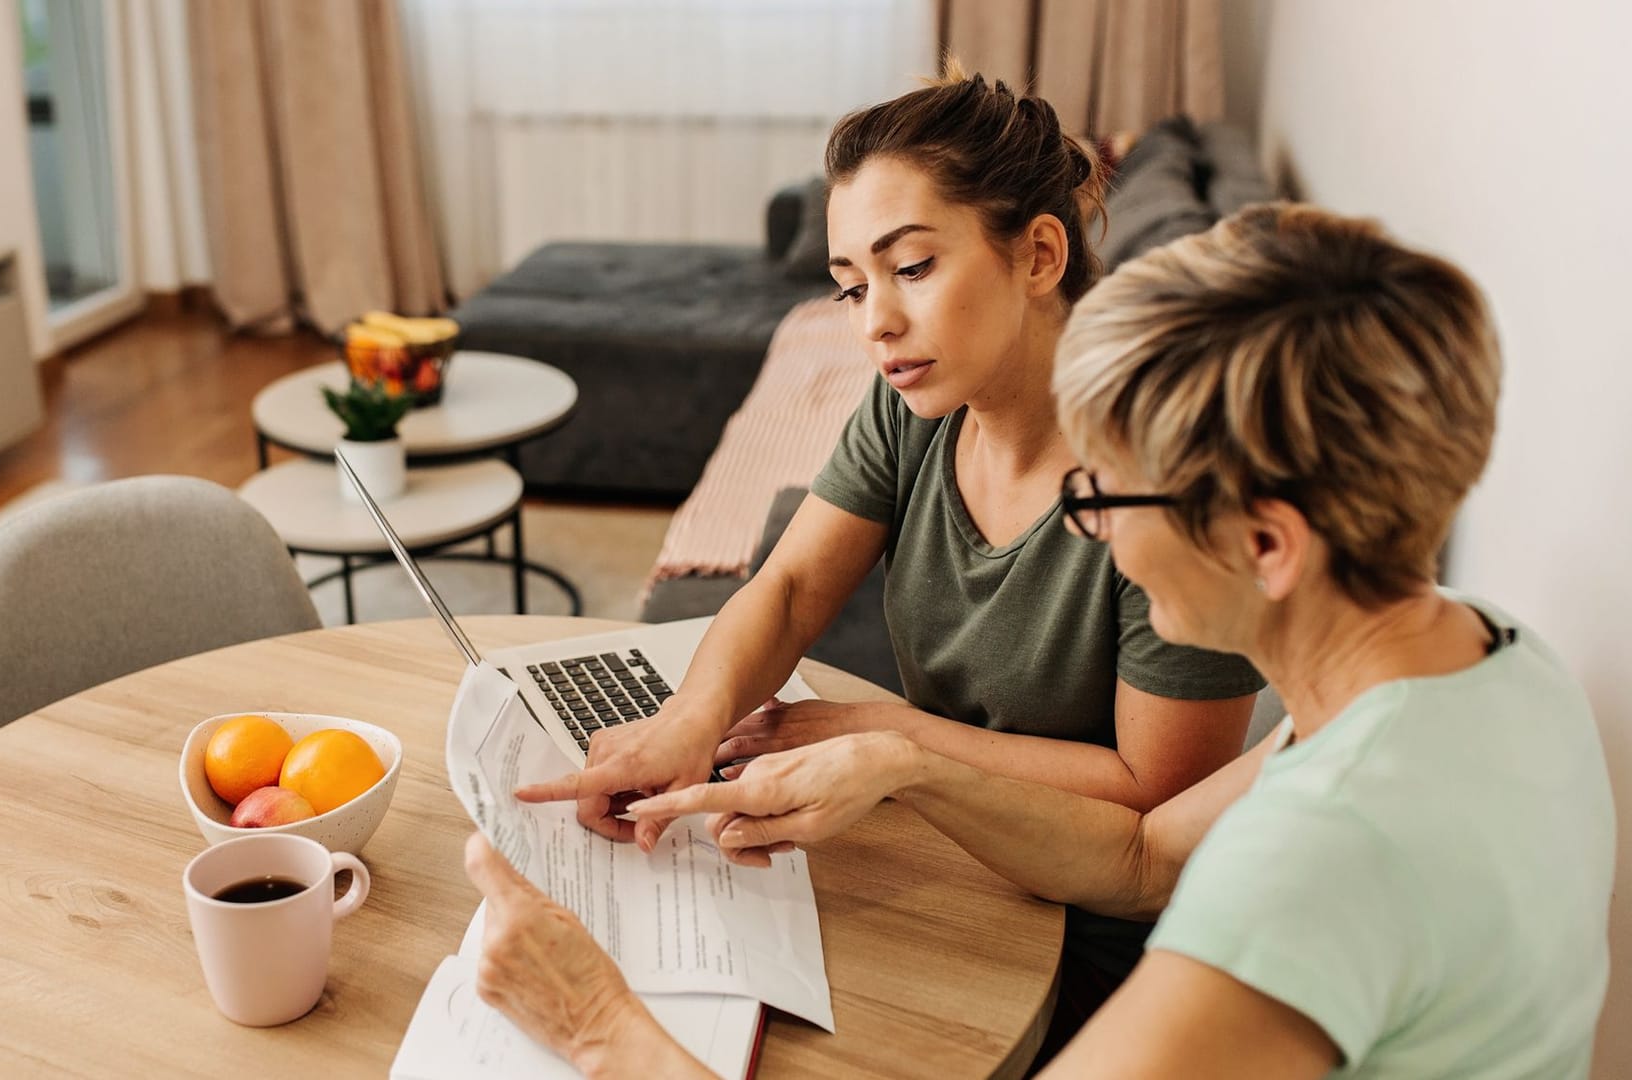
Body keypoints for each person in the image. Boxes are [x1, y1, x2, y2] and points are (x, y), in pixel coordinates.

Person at [466, 202, 1616, 1077]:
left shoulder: (1316, 869)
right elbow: (1147, 859)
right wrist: (904, 760)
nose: (1095, 537)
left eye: (1112, 497)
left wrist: (602, 1028)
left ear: (1269, 546)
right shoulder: (1490, 656)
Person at [519, 66, 1263, 1039]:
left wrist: (890, 739)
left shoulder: (1164, 489)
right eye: (851, 286)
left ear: (1041, 254)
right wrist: (693, 717)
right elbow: (788, 589)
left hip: (1104, 951)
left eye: (911, 268)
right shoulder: (916, 405)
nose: (875, 323)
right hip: (940, 848)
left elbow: (1154, 808)